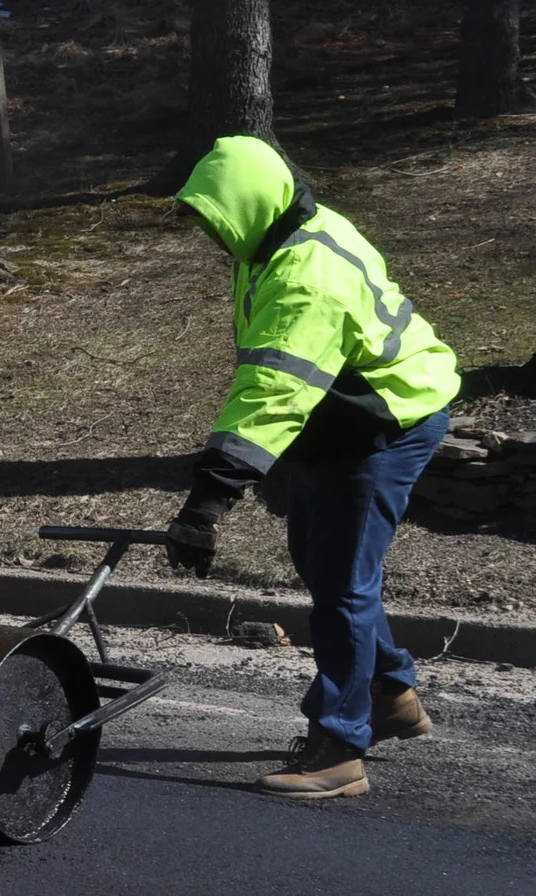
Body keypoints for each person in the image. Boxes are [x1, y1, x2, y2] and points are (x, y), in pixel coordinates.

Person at [166, 136, 459, 800]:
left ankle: (340, 747)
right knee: (322, 561)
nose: (213, 236)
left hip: (389, 421)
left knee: (343, 584)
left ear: (249, 205)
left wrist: (205, 507)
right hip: (343, 422)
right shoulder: (278, 236)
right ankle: (390, 695)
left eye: (217, 219)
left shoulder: (303, 276)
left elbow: (270, 395)